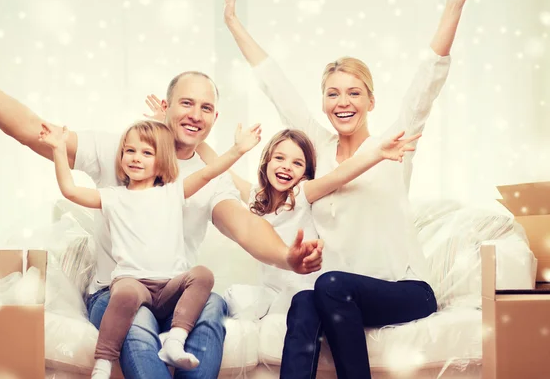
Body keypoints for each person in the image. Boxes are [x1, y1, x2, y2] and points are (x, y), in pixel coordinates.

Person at [0, 23, 323, 379]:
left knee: (212, 306)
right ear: (166, 105)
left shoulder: (208, 180)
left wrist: (288, 257)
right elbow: (33, 131)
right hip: (119, 290)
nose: (195, 115)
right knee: (137, 325)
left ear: (214, 117)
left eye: (205, 109)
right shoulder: (125, 150)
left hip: (174, 291)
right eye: (187, 103)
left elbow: (245, 226)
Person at [222, 0, 472, 377]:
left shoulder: (394, 144)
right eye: (333, 93)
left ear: (371, 100)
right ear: (322, 102)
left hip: (404, 291)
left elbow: (428, 82)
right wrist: (233, 23)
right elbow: (276, 86)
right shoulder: (315, 153)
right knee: (305, 300)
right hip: (336, 293)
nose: (343, 102)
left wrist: (455, 4)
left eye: (354, 93)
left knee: (328, 285)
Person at [146, 98, 420, 316]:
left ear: (305, 172)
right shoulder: (254, 198)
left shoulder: (302, 194)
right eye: (279, 158)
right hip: (271, 291)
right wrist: (170, 125)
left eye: (297, 163)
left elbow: (340, 174)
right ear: (265, 162)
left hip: (304, 290)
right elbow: (218, 167)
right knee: (230, 301)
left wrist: (376, 154)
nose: (286, 167)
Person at [39, 119, 261, 377]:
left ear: (163, 160)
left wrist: (239, 149)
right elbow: (70, 191)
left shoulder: (173, 191)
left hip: (169, 287)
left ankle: (175, 340)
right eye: (129, 151)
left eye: (147, 153)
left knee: (203, 275)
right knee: (124, 295)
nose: (135, 158)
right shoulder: (112, 196)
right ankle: (103, 363)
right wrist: (58, 148)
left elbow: (209, 172)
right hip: (133, 283)